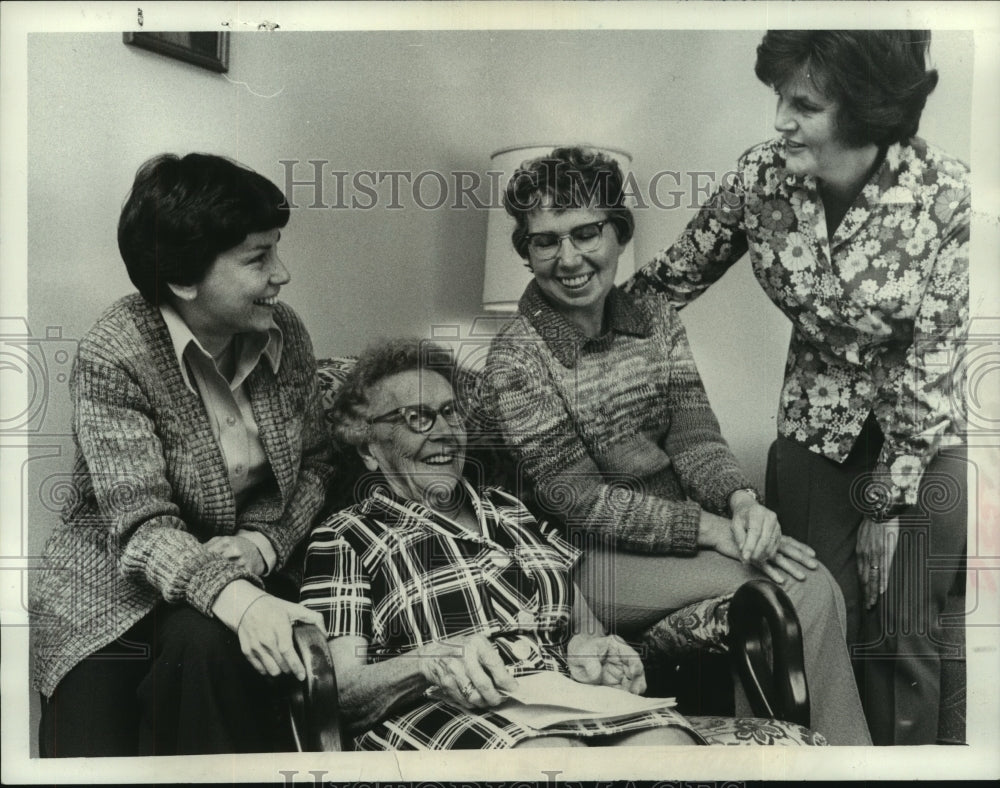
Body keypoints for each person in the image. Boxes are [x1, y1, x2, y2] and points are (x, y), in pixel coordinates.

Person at [625, 30, 969, 745]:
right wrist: (571, 330)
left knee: (903, 632)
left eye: (804, 106)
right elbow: (667, 283)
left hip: (921, 440)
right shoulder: (761, 177)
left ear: (865, 110)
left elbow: (935, 356)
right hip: (815, 428)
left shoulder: (945, 196)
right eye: (780, 98)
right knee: (815, 614)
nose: (780, 119)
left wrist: (885, 504)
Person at [480, 146, 870, 745]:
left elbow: (694, 436)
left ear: (619, 232)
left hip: (672, 546)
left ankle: (785, 758)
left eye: (586, 232)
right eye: (546, 241)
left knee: (807, 582)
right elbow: (579, 503)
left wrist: (741, 502)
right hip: (582, 567)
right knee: (803, 586)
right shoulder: (516, 358)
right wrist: (711, 531)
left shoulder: (655, 317)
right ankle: (823, 768)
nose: (569, 258)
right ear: (526, 251)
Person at [299, 339, 825, 750]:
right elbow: (341, 692)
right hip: (447, 713)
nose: (443, 432)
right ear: (369, 448)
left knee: (668, 745)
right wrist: (429, 661)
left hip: (564, 705)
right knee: (549, 759)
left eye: (450, 412)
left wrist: (597, 654)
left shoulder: (510, 511)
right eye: (417, 417)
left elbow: (584, 634)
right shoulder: (347, 536)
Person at [30, 153, 333, 756]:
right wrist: (244, 602)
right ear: (184, 280)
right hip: (111, 587)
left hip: (235, 570)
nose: (283, 273)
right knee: (88, 750)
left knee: (212, 660)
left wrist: (263, 543)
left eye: (276, 249)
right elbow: (142, 526)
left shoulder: (285, 331)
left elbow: (319, 464)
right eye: (258, 258)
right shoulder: (114, 353)